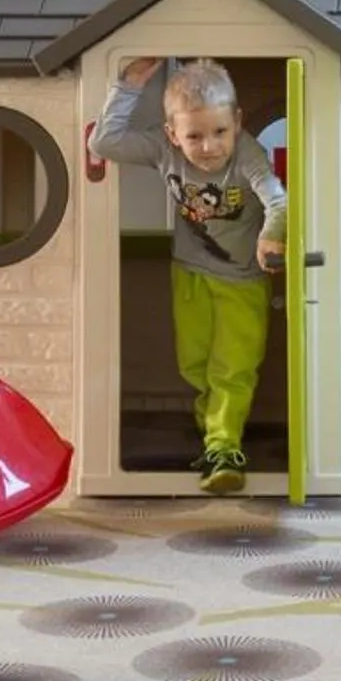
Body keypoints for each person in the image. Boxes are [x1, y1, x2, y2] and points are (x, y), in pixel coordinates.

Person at [89, 57, 286, 495]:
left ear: (236, 122)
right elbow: (104, 143)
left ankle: (224, 446)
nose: (209, 146)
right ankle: (212, 425)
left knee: (232, 368)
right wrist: (129, 84)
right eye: (194, 136)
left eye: (219, 132)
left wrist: (271, 237)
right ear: (172, 134)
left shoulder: (247, 152)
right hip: (190, 272)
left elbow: (277, 198)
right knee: (194, 362)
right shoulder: (164, 151)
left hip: (242, 278)